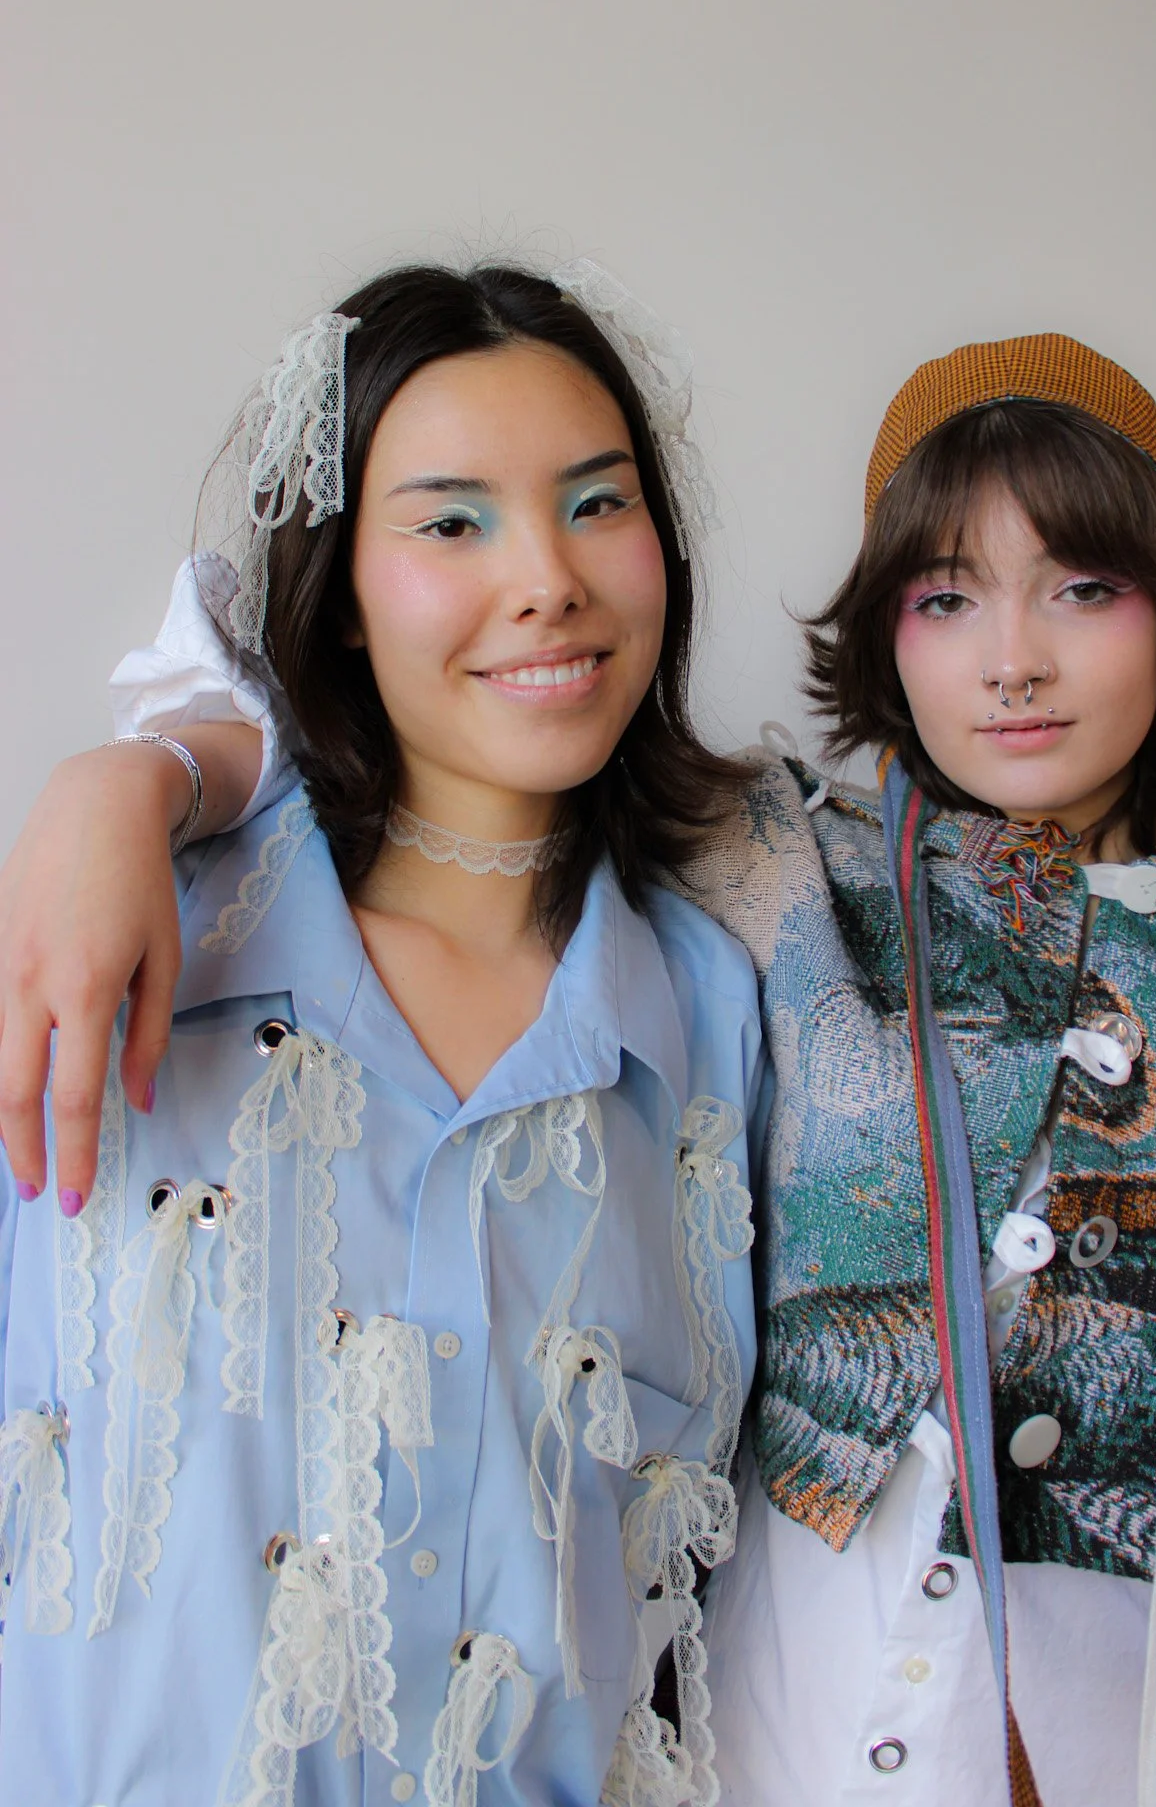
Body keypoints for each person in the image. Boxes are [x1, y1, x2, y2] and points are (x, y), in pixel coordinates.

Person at [3, 327, 1156, 1806]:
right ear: (888, 636)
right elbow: (420, 669)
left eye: (1086, 588)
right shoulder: (787, 874)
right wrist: (132, 776)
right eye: (946, 597)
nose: (1014, 658)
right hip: (798, 1734)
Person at [0, 262, 764, 1807]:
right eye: (451, 520)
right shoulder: (127, 937)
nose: (546, 577)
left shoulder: (710, 1010)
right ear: (339, 580)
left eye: (598, 504)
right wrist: (124, 780)